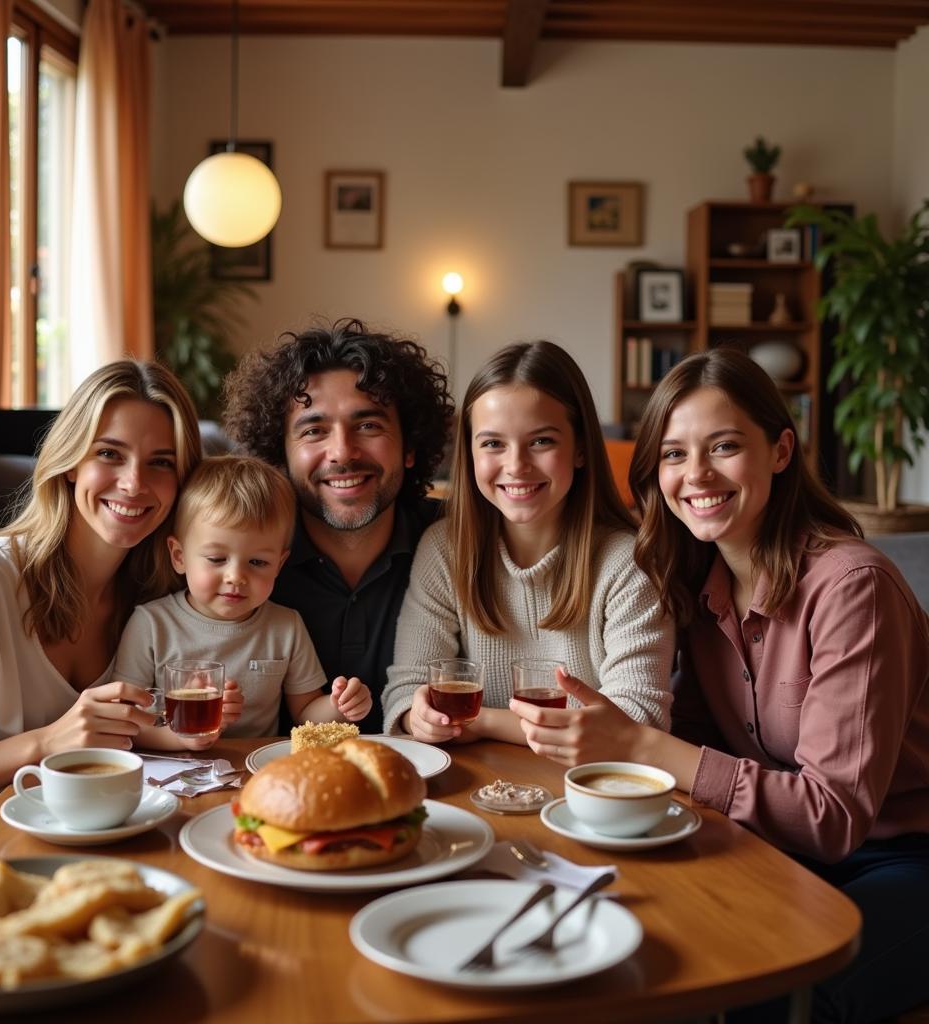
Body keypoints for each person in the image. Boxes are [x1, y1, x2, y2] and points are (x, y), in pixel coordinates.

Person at [511, 348, 929, 1023]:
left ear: (781, 450)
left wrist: (641, 745)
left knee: (770, 1001)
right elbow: (701, 744)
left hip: (902, 858)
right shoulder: (700, 582)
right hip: (774, 848)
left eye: (725, 446)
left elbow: (831, 819)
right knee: (616, 946)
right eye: (674, 455)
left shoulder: (855, 588)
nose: (696, 474)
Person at [0, 360, 202, 870]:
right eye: (109, 454)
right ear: (70, 463)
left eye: (161, 462)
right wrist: (44, 743)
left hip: (82, 848)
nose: (134, 484)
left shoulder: (160, 594)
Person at [381, 340, 674, 744]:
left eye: (541, 441)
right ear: (469, 453)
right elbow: (406, 691)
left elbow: (639, 722)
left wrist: (480, 721)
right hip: (475, 787)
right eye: (493, 443)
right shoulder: (445, 549)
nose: (516, 465)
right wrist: (420, 718)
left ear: (581, 450)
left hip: (586, 793)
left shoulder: (629, 561)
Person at [222, 317, 453, 732]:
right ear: (281, 455)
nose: (342, 452)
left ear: (410, 447)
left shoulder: (458, 543)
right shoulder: (234, 557)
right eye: (314, 430)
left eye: (368, 425)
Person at [113, 454, 372, 739]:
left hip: (258, 770)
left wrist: (340, 706)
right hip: (172, 773)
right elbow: (125, 720)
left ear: (279, 565)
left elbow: (305, 712)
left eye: (257, 562)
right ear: (179, 556)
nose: (235, 577)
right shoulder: (150, 624)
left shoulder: (285, 626)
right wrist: (193, 732)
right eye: (216, 558)